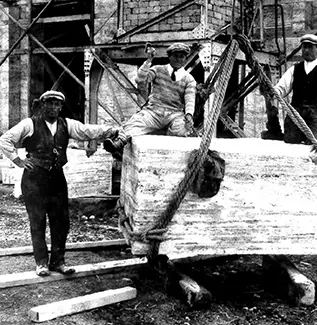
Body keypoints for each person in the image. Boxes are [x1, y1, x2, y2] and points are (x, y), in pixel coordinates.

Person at [0, 90, 119, 276]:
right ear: (43, 104)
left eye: (57, 104)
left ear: (61, 107)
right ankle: (41, 263)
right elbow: (5, 140)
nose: (54, 107)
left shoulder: (67, 124)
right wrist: (18, 161)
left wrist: (109, 131)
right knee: (37, 221)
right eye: (50, 103)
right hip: (34, 180)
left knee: (61, 221)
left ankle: (58, 262)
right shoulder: (30, 124)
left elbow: (87, 131)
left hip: (56, 178)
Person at [104, 42, 197, 157]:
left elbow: (190, 98)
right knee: (136, 122)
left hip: (174, 114)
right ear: (170, 57)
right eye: (176, 56)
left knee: (183, 129)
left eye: (182, 57)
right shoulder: (157, 69)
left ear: (185, 58)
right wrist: (148, 61)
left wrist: (189, 114)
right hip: (154, 111)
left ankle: (166, 148)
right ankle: (119, 143)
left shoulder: (189, 79)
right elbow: (140, 80)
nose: (179, 59)